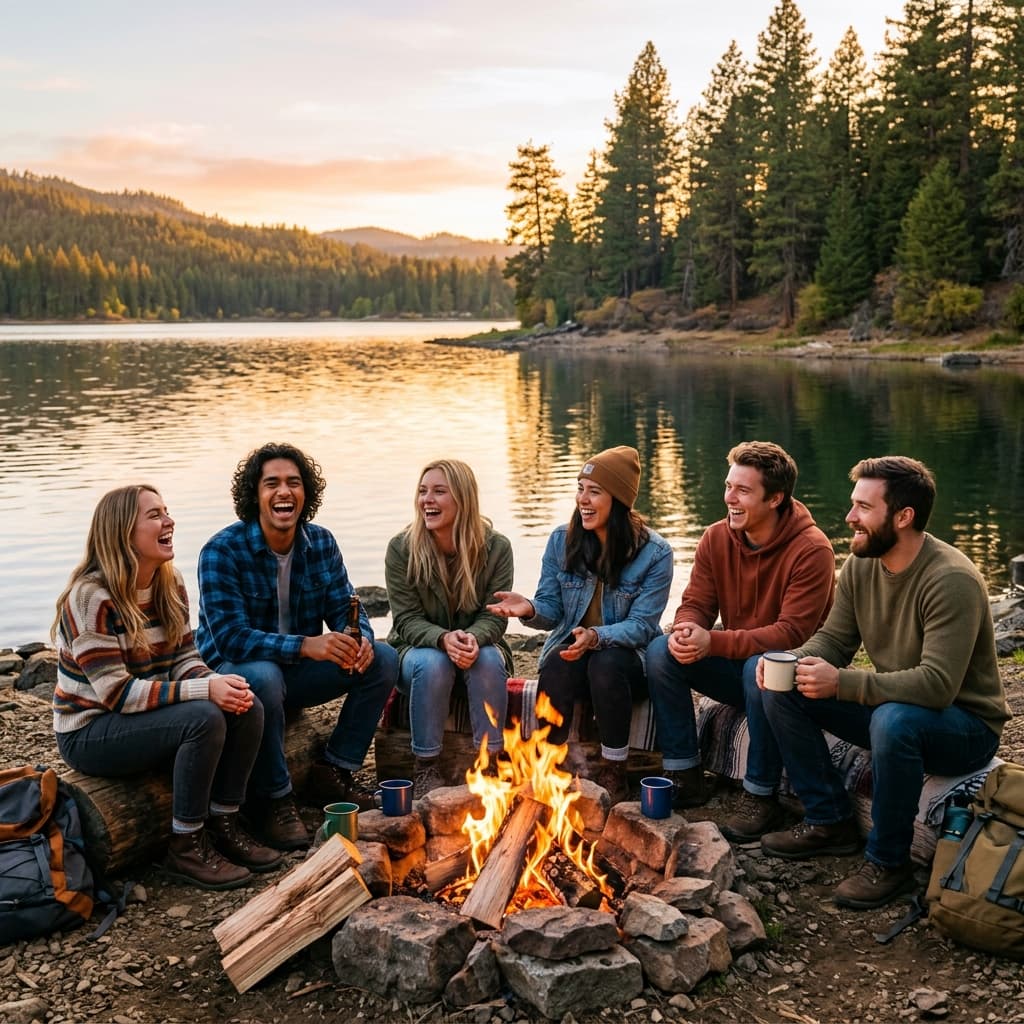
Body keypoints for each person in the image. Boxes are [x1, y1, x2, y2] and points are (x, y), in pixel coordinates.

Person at [758, 456, 1010, 909]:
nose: (850, 517)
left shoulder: (950, 579)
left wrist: (844, 684)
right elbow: (834, 640)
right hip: (901, 706)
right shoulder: (860, 565)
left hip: (966, 727)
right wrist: (791, 661)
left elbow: (938, 686)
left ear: (903, 516)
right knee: (783, 685)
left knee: (893, 721)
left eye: (862, 507)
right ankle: (828, 819)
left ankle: (888, 863)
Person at [52, 485, 282, 891]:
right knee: (204, 718)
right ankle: (186, 844)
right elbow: (117, 694)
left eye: (167, 512)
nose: (169, 521)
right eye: (155, 515)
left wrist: (213, 681)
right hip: (91, 730)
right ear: (124, 532)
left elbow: (183, 661)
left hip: (144, 717)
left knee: (248, 702)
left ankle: (224, 822)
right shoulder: (90, 598)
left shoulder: (168, 584)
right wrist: (203, 693)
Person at [195, 443, 398, 851]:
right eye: (272, 483)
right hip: (236, 674)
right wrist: (307, 645)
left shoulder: (320, 543)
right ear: (255, 495)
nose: (283, 492)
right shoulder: (221, 551)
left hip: (295, 671)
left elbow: (347, 606)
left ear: (306, 494)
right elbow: (229, 637)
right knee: (265, 676)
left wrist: (361, 642)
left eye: (294, 483)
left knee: (385, 661)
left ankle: (334, 770)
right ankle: (275, 800)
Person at [645, 441, 836, 837]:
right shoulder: (716, 538)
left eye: (743, 491)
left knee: (761, 667)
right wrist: (687, 628)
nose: (729, 497)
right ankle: (684, 774)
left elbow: (792, 633)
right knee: (661, 651)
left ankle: (760, 796)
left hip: (794, 679)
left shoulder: (812, 549)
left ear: (776, 498)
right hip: (739, 664)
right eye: (729, 485)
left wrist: (713, 642)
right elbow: (696, 601)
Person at [488, 445, 673, 803]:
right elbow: (551, 609)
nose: (582, 500)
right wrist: (528, 608)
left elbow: (641, 626)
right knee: (558, 658)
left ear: (618, 500)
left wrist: (596, 636)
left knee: (605, 661)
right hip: (575, 659)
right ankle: (545, 765)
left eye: (594, 491)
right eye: (579, 488)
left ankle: (614, 768)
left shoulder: (656, 553)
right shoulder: (562, 540)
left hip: (626, 664)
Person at [385, 459, 514, 797]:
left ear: (463, 499)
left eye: (439, 491)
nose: (427, 499)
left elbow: (496, 614)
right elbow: (406, 619)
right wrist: (442, 639)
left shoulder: (496, 547)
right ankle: (426, 767)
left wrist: (473, 638)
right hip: (417, 653)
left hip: (478, 646)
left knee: (488, 660)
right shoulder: (401, 549)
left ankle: (490, 762)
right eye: (423, 491)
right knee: (433, 662)